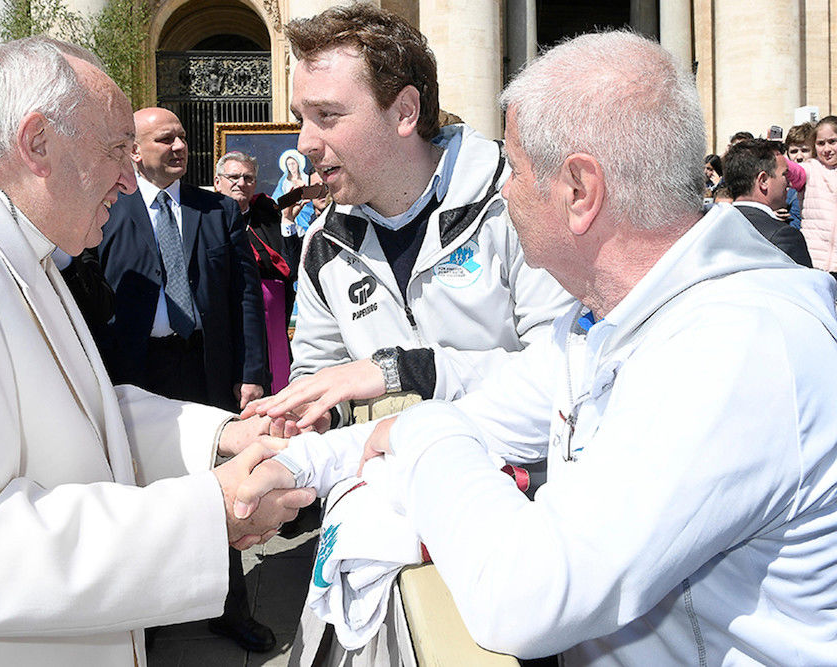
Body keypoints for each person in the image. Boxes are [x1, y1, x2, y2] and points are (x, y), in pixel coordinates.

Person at [239, 30, 837, 665]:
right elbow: (490, 416)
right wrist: (293, 466)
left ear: (579, 192)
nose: (500, 191)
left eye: (517, 171)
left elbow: (526, 599)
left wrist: (422, 431)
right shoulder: (602, 325)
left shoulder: (733, 349)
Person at [0, 36, 315, 665]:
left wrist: (218, 436)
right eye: (116, 149)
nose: (127, 175)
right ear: (37, 144)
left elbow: (73, 411)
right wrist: (204, 515)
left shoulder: (10, 240)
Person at [244, 2, 572, 436]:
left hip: (518, 491)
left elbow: (566, 371)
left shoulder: (514, 202)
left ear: (404, 112)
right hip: (385, 489)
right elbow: (318, 373)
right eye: (301, 118)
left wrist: (408, 372)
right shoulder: (323, 244)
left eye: (327, 116)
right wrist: (314, 417)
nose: (304, 142)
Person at [95, 108, 275, 651]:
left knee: (220, 482)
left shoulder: (217, 210)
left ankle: (227, 605)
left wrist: (252, 374)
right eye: (163, 138)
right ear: (134, 149)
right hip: (136, 374)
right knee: (143, 492)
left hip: (206, 367)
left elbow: (245, 295)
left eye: (181, 137)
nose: (178, 145)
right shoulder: (107, 212)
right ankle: (148, 616)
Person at [214, 150, 302, 395]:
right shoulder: (205, 218)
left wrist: (287, 222)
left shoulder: (267, 216)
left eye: (248, 178)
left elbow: (289, 265)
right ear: (217, 181)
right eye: (233, 177)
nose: (241, 183)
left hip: (272, 313)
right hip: (226, 309)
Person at [722, 138, 811, 265]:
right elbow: (807, 284)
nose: (789, 182)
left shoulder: (709, 227)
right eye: (785, 174)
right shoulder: (784, 237)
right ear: (763, 180)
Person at [798, 116, 837, 276]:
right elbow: (793, 172)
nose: (826, 149)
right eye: (821, 143)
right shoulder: (810, 168)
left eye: (832, 141)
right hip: (815, 262)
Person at [271, 148, 314, 232]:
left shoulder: (306, 178)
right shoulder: (284, 181)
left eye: (293, 163)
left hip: (305, 210)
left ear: (298, 164)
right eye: (289, 164)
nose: (291, 167)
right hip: (288, 210)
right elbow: (276, 198)